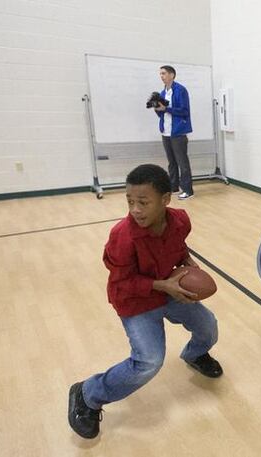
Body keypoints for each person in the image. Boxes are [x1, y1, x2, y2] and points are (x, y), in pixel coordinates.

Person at [68, 164, 222, 439]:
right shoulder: (122, 237)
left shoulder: (181, 221)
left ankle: (195, 354)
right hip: (135, 300)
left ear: (165, 200)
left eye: (143, 202)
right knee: (149, 361)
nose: (135, 209)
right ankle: (88, 394)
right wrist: (161, 285)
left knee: (208, 326)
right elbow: (121, 282)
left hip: (169, 289)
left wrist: (186, 262)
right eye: (130, 201)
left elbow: (178, 246)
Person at [155, 65, 194, 200]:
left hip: (177, 132)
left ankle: (188, 190)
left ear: (172, 75)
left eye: (164, 73)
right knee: (171, 162)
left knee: (182, 162)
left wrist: (166, 108)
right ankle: (174, 186)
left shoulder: (180, 90)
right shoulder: (162, 92)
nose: (161, 76)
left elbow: (184, 111)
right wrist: (157, 108)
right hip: (165, 131)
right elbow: (162, 113)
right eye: (160, 74)